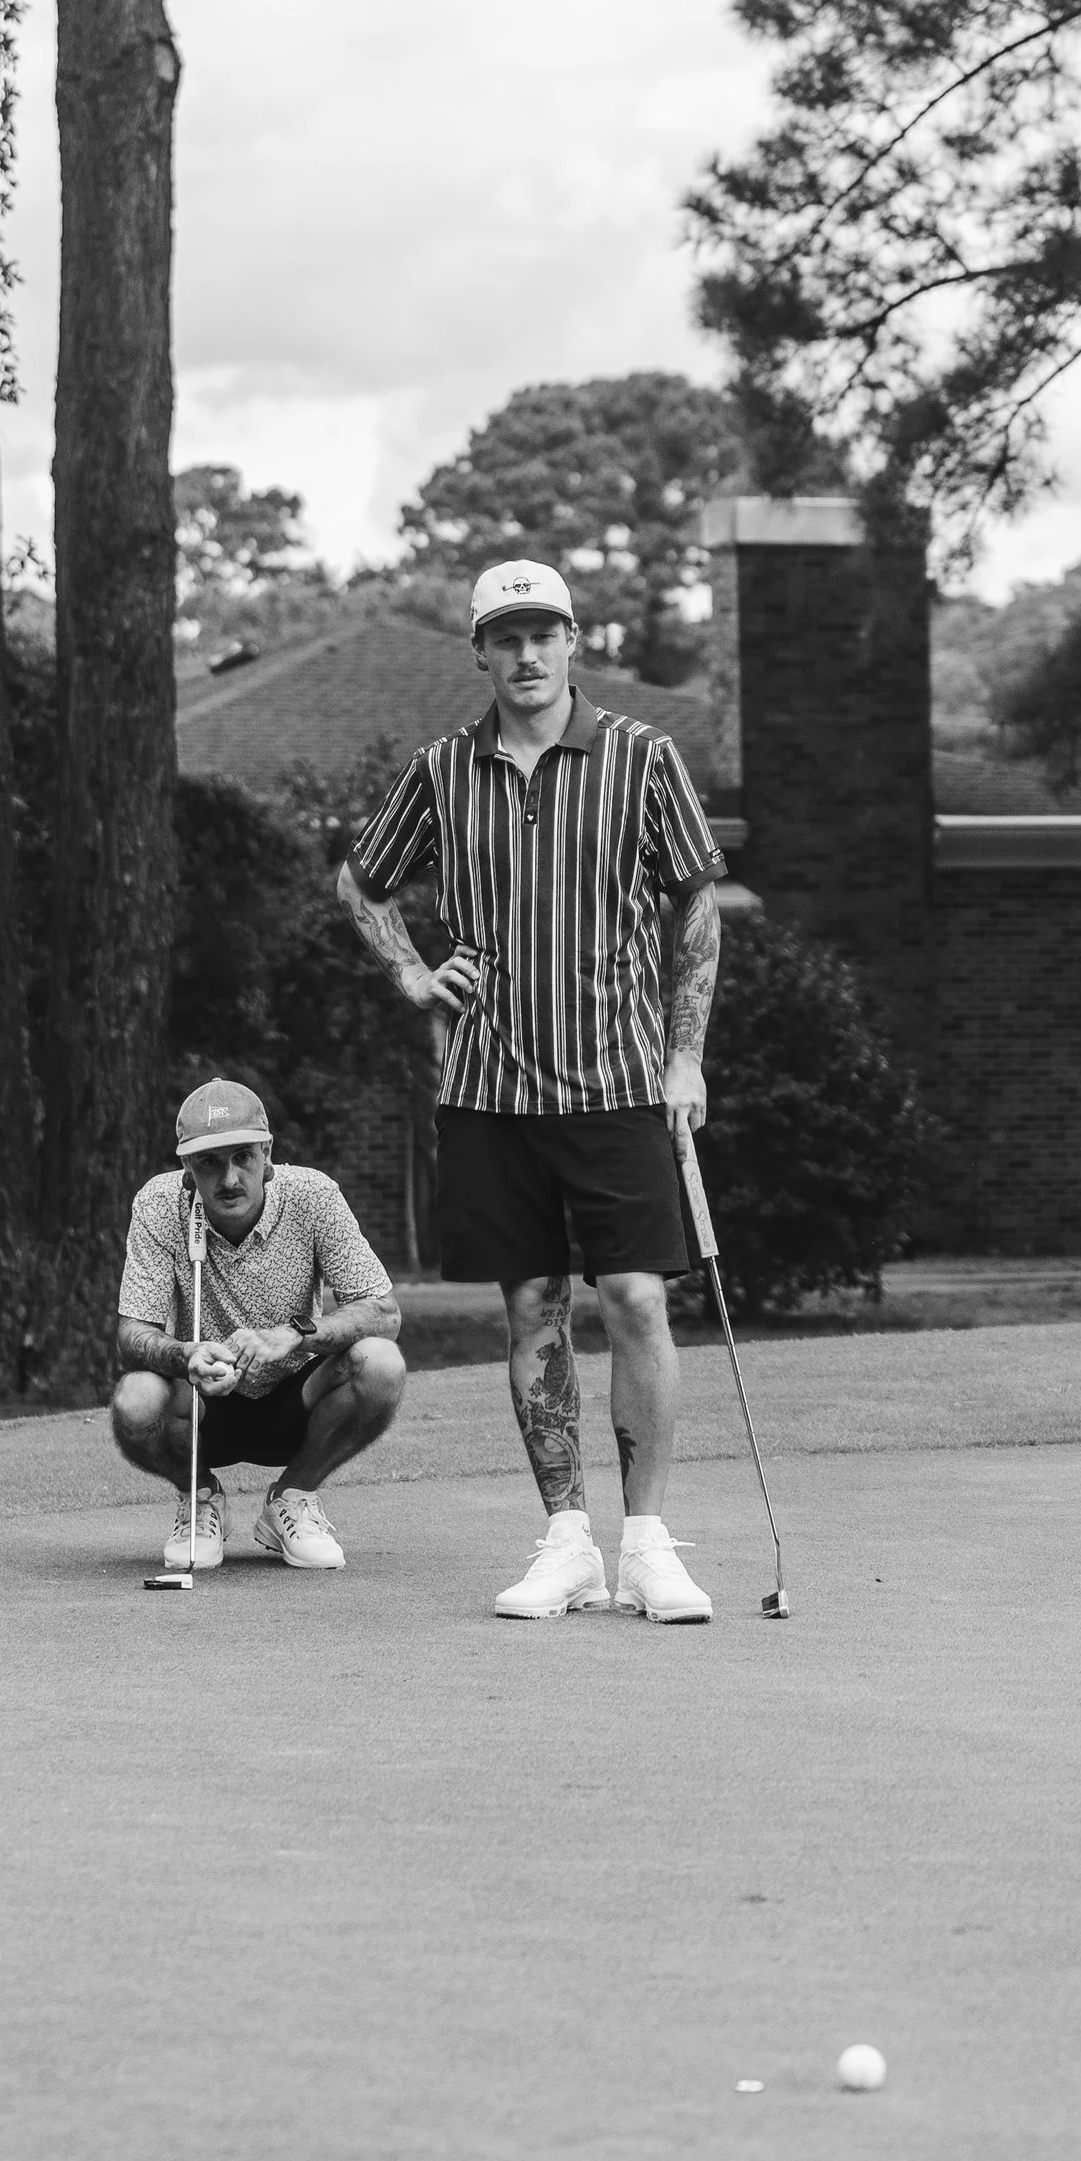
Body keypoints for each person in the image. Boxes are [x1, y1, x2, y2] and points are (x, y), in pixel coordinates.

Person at [337, 556, 725, 1623]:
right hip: (489, 1091)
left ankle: (646, 1545)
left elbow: (697, 907)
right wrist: (414, 971)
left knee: (637, 1296)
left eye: (542, 633)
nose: (525, 653)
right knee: (534, 1311)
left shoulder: (641, 758)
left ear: (571, 642)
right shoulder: (440, 769)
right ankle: (567, 1544)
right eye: (504, 637)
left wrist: (685, 1054)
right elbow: (360, 881)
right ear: (478, 651)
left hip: (616, 1081)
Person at [111, 1079, 406, 1573]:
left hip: (301, 1395)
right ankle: (200, 1498)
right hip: (202, 1400)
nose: (229, 1178)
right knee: (135, 1399)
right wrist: (187, 1354)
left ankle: (292, 1498)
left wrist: (294, 1333)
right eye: (210, 1162)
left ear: (267, 1155)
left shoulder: (313, 1195)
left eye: (243, 1156)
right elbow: (132, 1333)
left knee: (382, 1364)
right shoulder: (159, 1204)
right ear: (187, 1168)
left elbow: (384, 1311)